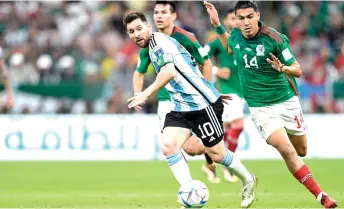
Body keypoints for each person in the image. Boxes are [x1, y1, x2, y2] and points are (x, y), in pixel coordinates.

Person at [204, 1, 337, 208]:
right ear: (236, 20)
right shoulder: (237, 35)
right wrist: (217, 25)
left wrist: (282, 67)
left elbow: (297, 69)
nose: (246, 22)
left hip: (286, 101)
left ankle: (305, 174)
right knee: (287, 150)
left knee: (301, 150)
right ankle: (322, 196)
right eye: (241, 18)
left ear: (257, 15)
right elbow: (230, 47)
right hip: (260, 107)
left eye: (249, 17)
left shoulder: (274, 38)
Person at [123, 11, 257, 208]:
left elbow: (168, 71)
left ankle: (248, 179)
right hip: (181, 107)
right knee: (168, 146)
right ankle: (189, 192)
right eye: (131, 31)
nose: (136, 34)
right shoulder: (151, 47)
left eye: (139, 28)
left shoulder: (159, 45)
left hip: (202, 105)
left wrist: (145, 93)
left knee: (217, 154)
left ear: (149, 27)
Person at [132, 1, 219, 183]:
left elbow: (206, 63)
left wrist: (206, 93)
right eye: (156, 12)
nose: (159, 16)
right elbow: (138, 72)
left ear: (173, 16)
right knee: (173, 148)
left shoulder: (186, 38)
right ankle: (189, 189)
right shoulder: (148, 42)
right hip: (166, 102)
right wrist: (138, 94)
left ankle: (213, 155)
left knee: (192, 148)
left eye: (164, 12)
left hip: (191, 100)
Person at [203, 8, 244, 183]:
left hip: (242, 91)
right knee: (238, 125)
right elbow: (199, 57)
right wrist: (216, 70)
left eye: (238, 19)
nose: (235, 22)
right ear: (226, 21)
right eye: (232, 18)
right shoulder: (218, 42)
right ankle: (228, 165)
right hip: (227, 92)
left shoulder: (245, 40)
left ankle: (211, 164)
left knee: (223, 131)